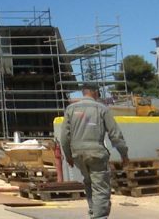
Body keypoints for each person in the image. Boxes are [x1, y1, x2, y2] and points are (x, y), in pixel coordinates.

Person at [61, 83, 129, 219]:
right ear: (95, 92)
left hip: (78, 154)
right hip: (96, 153)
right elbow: (115, 135)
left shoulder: (70, 109)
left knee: (89, 182)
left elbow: (64, 136)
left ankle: (93, 212)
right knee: (100, 187)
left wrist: (68, 156)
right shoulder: (101, 109)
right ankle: (99, 217)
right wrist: (124, 154)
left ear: (83, 92)